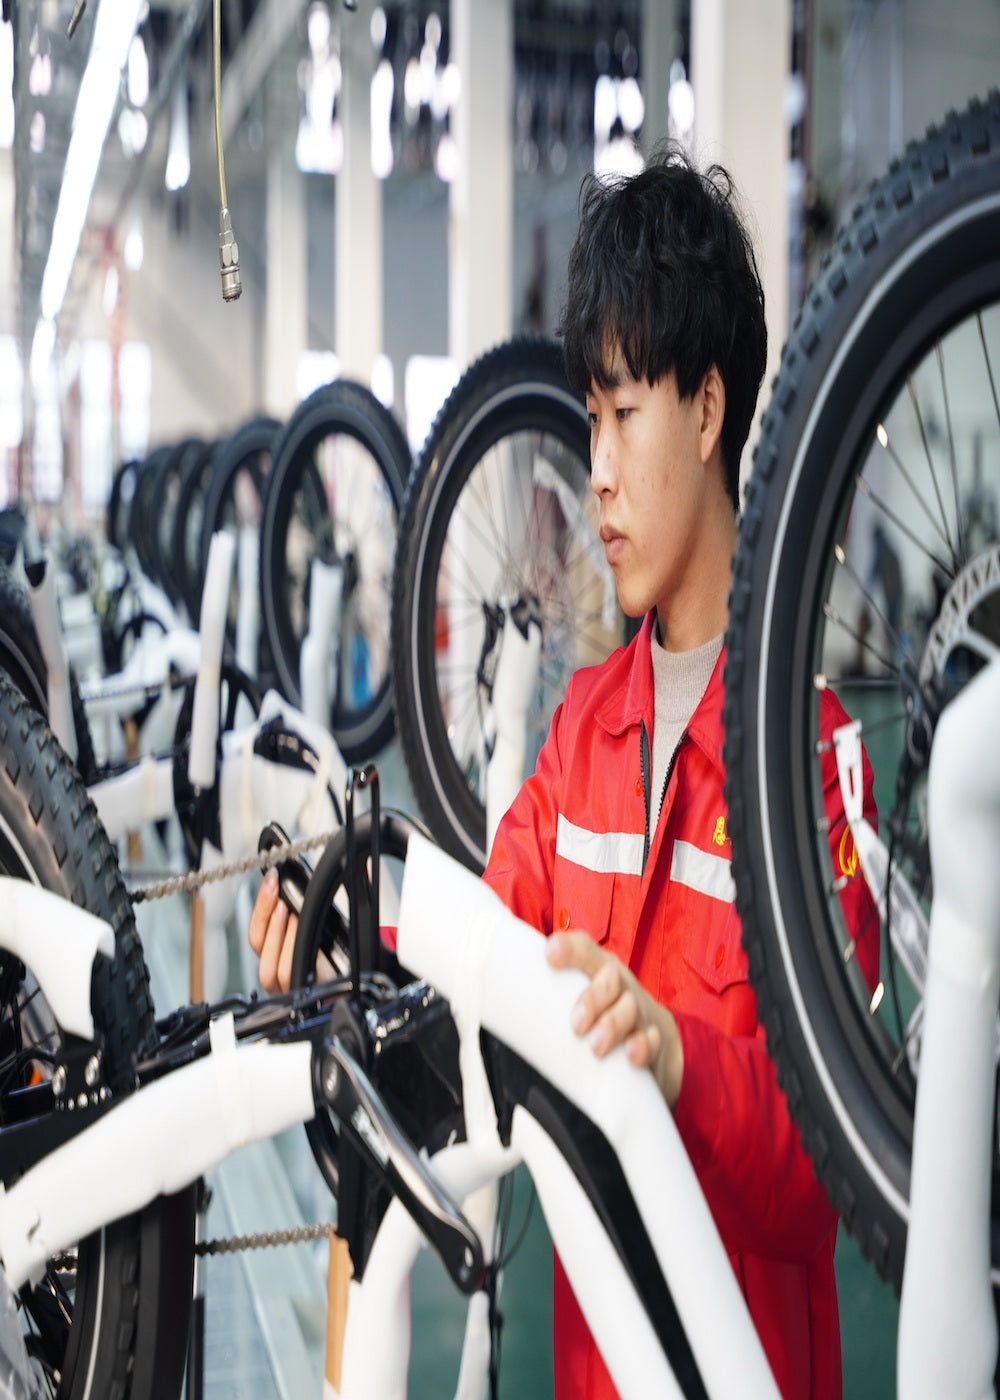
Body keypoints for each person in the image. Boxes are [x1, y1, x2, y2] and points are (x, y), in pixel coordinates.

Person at [249, 145, 879, 1400]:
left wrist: (671, 1050)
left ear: (706, 411)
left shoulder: (813, 766)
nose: (590, 468)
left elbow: (826, 1180)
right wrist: (340, 927)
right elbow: (483, 926)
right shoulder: (584, 728)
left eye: (622, 413)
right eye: (585, 416)